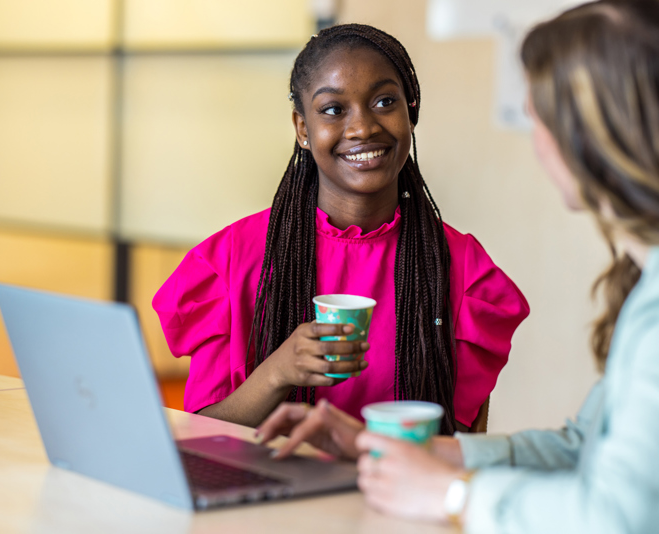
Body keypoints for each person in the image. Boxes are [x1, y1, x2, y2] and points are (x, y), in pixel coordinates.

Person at [256, 1, 659, 532]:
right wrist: (415, 453)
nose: (533, 133)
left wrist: (451, 493)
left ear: (594, 133)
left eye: (537, 112)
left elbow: (618, 519)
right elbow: (581, 446)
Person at [152, 24, 529, 433]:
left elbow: (460, 452)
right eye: (333, 109)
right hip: (262, 497)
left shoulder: (460, 269)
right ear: (302, 129)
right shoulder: (230, 260)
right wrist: (277, 372)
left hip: (395, 495)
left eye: (385, 101)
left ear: (411, 112)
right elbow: (199, 440)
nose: (363, 127)